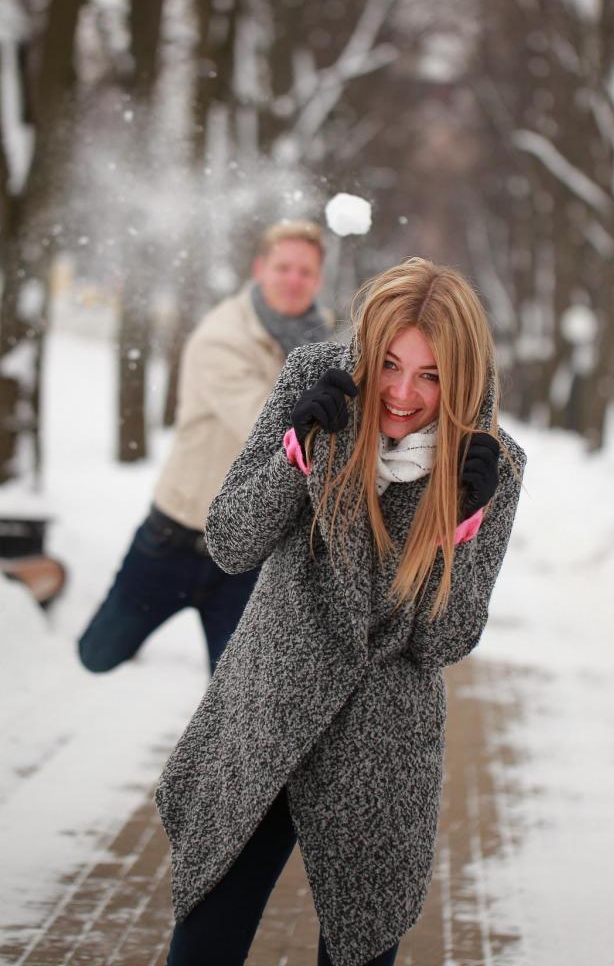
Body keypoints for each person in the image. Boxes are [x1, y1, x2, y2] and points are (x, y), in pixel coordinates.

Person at [154, 257, 527, 966]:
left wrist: (457, 531)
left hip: (380, 742)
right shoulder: (315, 383)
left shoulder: (490, 462)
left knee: (357, 948)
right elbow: (230, 541)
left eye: (431, 376)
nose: (403, 394)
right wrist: (297, 457)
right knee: (206, 938)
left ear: (462, 377)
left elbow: (445, 639)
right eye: (389, 365)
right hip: (269, 707)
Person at [78, 221, 332, 675]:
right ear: (260, 268)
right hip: (174, 538)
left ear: (319, 278)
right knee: (98, 655)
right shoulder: (222, 337)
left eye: (306, 271)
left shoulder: (320, 344)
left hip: (245, 549)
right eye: (284, 267)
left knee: (238, 695)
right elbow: (269, 426)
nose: (294, 280)